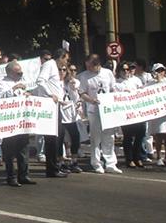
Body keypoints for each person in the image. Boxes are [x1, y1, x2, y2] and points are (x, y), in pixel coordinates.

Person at [78, 53, 122, 174]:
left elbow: (113, 89)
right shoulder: (84, 76)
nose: (88, 68)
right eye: (86, 65)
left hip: (107, 110)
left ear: (97, 64)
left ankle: (111, 163)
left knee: (109, 137)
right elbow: (82, 93)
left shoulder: (107, 73)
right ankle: (96, 163)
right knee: (95, 138)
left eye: (90, 66)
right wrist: (92, 100)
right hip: (94, 111)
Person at [35, 48, 70, 178]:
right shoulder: (49, 65)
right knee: (52, 138)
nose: (66, 62)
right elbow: (40, 81)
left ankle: (56, 165)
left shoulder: (55, 68)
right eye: (66, 59)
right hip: (49, 106)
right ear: (61, 57)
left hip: (56, 106)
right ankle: (52, 169)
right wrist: (51, 95)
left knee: (59, 135)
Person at [147, 64, 166, 166]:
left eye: (162, 70)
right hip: (158, 113)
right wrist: (158, 81)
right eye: (158, 70)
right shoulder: (150, 83)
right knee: (159, 135)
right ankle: (159, 157)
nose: (160, 72)